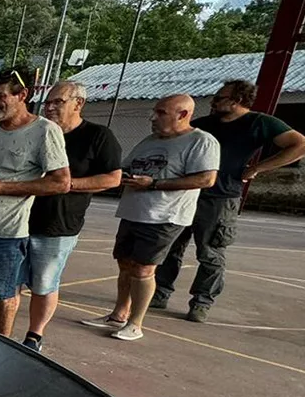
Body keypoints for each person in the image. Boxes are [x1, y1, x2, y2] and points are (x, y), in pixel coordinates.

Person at [154, 79, 305, 321]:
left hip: (221, 198)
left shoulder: (259, 123)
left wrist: (258, 168)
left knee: (210, 252)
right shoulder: (203, 125)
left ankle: (201, 302)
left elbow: (303, 146)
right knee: (170, 247)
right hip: (187, 193)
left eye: (220, 98)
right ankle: (160, 293)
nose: (214, 102)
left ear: (237, 100)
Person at [82, 94, 219, 341]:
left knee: (144, 268)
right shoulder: (150, 140)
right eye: (155, 112)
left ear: (183, 114)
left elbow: (206, 179)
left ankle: (135, 323)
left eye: (161, 112)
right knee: (125, 263)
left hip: (164, 216)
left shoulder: (201, 142)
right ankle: (118, 315)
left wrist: (155, 184)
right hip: (134, 211)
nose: (153, 118)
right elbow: (127, 167)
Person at [0, 65, 71, 338]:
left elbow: (60, 182)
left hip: (6, 234)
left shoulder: (45, 131)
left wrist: (1, 188)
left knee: (4, 296)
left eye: (0, 96)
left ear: (23, 95)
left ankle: (1, 345)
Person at [22, 80, 123, 351]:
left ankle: (34, 335)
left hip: (58, 224)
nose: (51, 107)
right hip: (19, 220)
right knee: (9, 282)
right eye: (48, 102)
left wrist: (66, 184)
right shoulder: (38, 132)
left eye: (58, 102)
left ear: (78, 104)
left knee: (44, 283)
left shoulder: (98, 137)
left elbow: (113, 178)